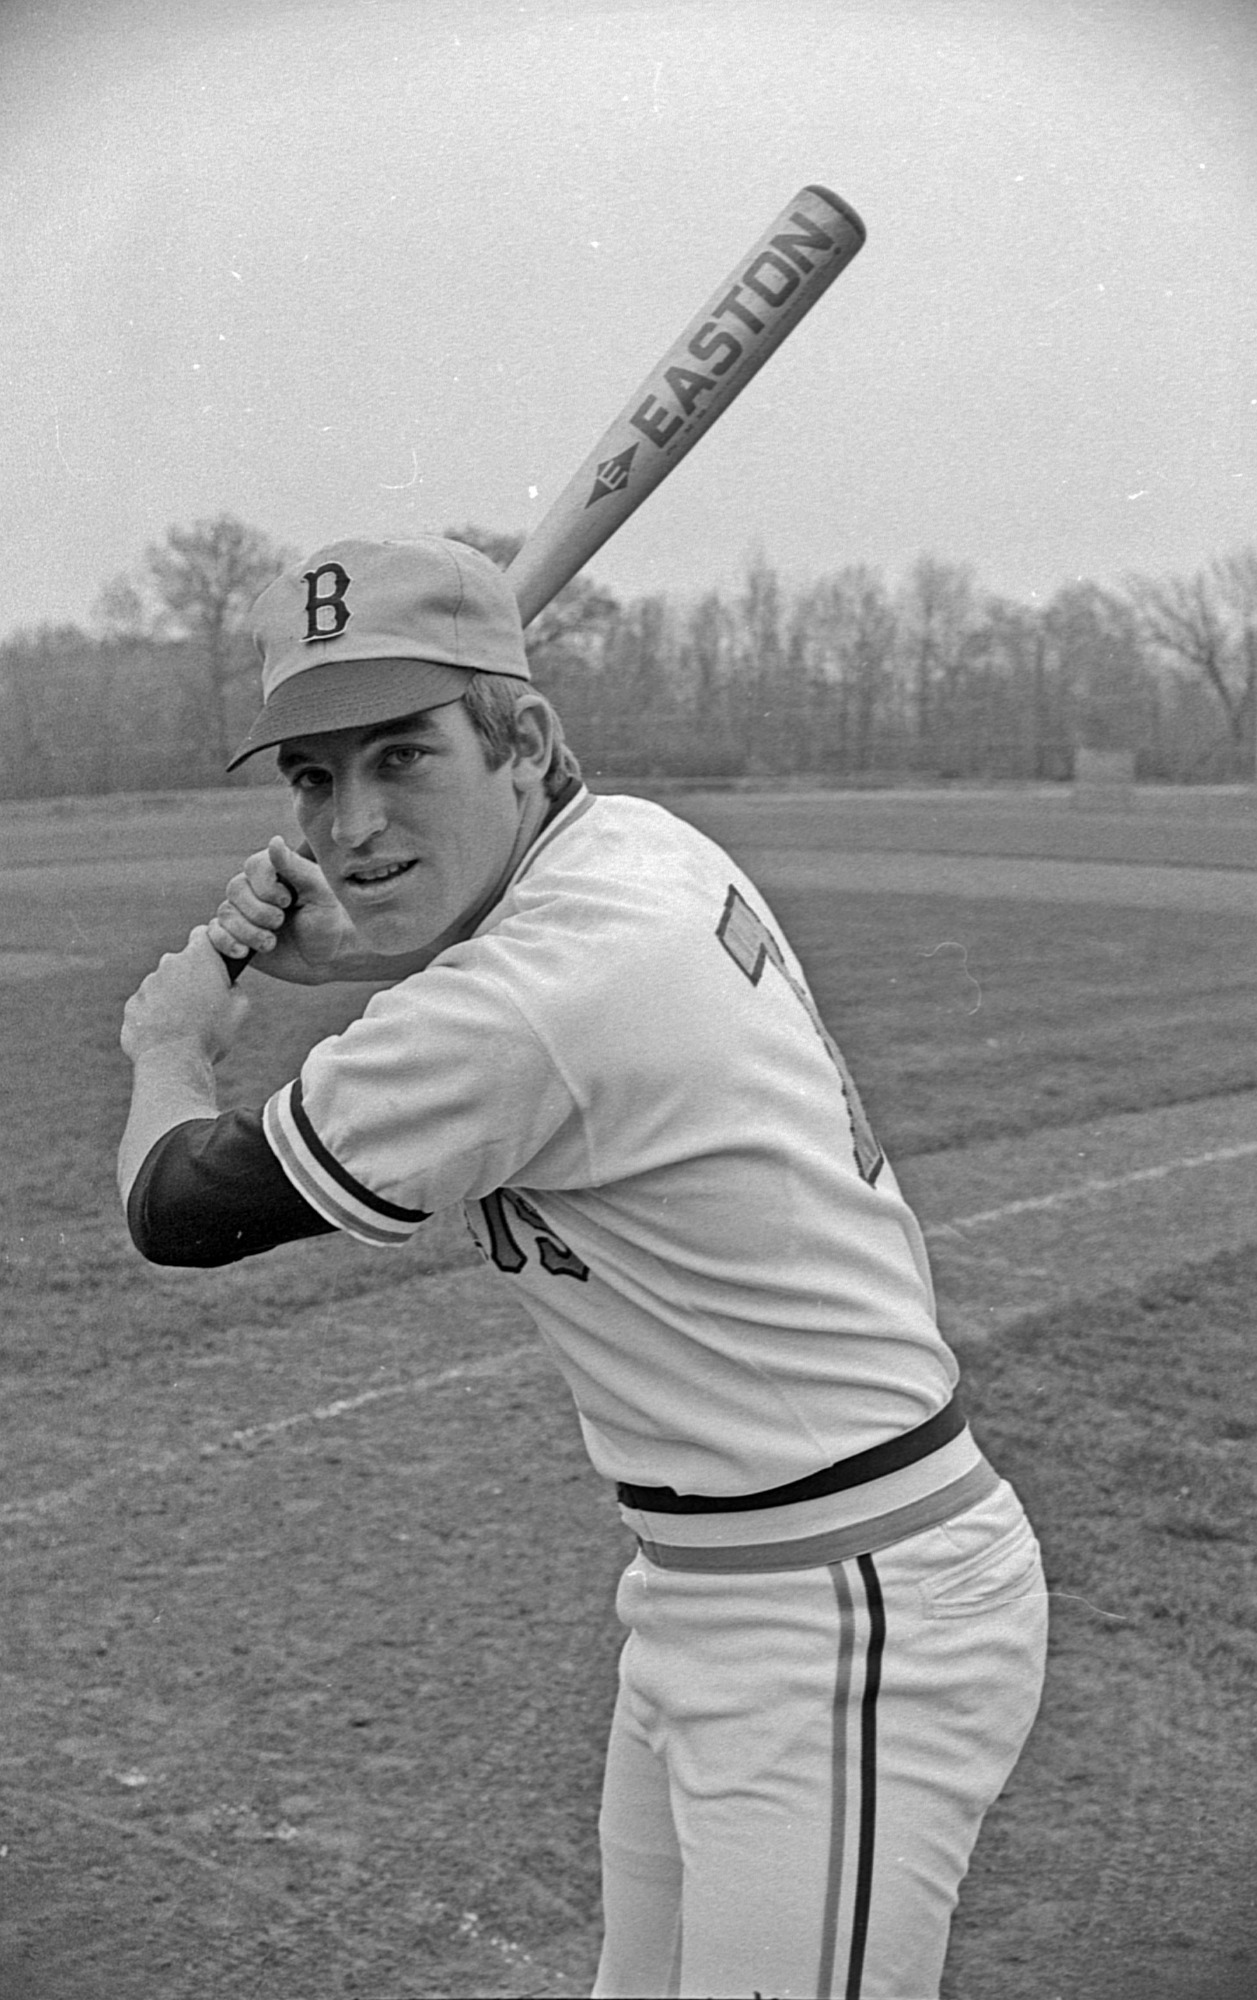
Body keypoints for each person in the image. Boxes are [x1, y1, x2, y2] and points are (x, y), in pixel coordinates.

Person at [118, 534, 1048, 2000]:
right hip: (720, 1583)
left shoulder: (530, 1001)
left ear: (524, 740)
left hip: (841, 1613)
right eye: (313, 775)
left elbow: (181, 1206)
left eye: (401, 759)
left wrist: (172, 1044)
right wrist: (365, 945)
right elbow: (549, 991)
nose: (350, 820)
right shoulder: (637, 849)